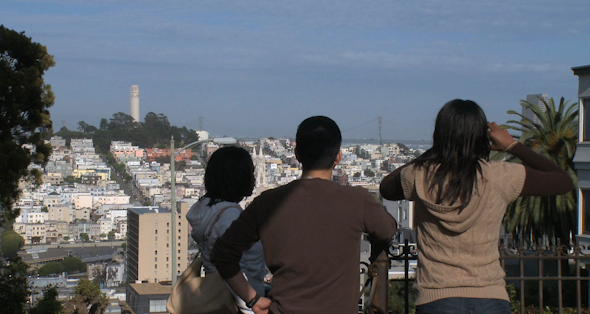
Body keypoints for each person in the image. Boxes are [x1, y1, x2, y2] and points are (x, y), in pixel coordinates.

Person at [379, 99, 574, 314]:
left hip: (436, 296)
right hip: (490, 295)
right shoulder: (500, 176)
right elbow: (562, 181)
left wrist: (438, 149)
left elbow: (386, 188)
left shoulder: (419, 176)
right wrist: (513, 145)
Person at [210, 116, 398, 314]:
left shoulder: (268, 203)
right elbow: (387, 230)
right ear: (338, 157)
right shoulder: (357, 200)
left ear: (297, 154)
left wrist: (252, 299)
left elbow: (222, 254)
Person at [186, 146, 266, 314]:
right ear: (237, 179)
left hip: (215, 300)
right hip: (238, 306)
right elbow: (234, 269)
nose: (254, 180)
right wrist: (252, 304)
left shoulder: (208, 210)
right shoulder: (231, 219)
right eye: (250, 174)